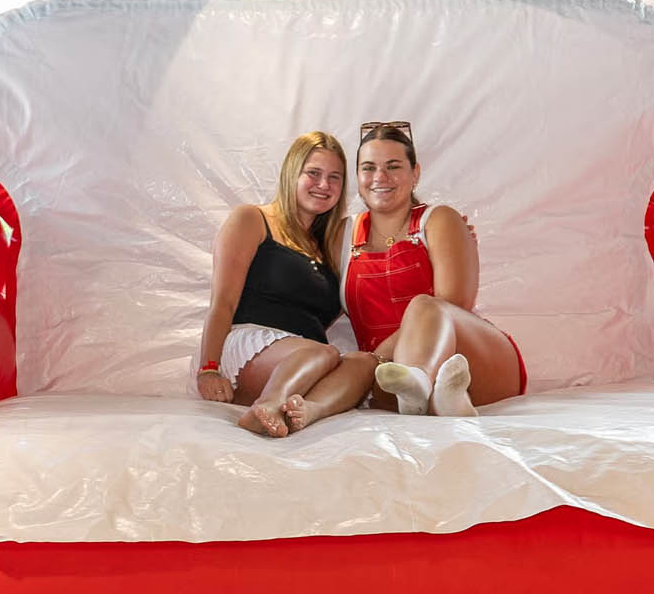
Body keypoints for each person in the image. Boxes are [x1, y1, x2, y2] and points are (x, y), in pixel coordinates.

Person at [196, 131, 379, 436]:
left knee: (364, 363)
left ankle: (305, 412)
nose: (324, 185)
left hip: (306, 357)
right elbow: (222, 303)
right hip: (248, 346)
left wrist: (434, 231)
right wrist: (209, 369)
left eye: (334, 178)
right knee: (324, 352)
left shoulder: (329, 244)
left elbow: (385, 241)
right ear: (292, 173)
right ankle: (268, 405)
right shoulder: (252, 219)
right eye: (314, 173)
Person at [347, 121, 526, 416]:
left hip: (470, 361)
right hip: (389, 379)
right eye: (368, 168)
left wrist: (374, 359)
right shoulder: (343, 236)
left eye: (393, 166)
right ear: (357, 176)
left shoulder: (438, 220)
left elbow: (456, 303)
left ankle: (419, 380)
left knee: (426, 307)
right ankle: (444, 400)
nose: (380, 177)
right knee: (392, 377)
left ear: (415, 173)